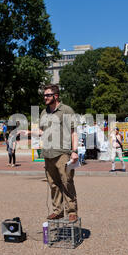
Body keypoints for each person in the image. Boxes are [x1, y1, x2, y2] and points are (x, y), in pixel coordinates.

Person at [24, 84, 79, 222]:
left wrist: (74, 151)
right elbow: (43, 132)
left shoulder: (66, 110)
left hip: (63, 153)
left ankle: (72, 211)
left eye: (48, 95)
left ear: (56, 96)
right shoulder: (44, 112)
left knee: (66, 182)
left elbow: (74, 132)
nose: (45, 97)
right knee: (53, 184)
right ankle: (58, 211)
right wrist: (29, 132)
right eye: (44, 95)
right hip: (48, 154)